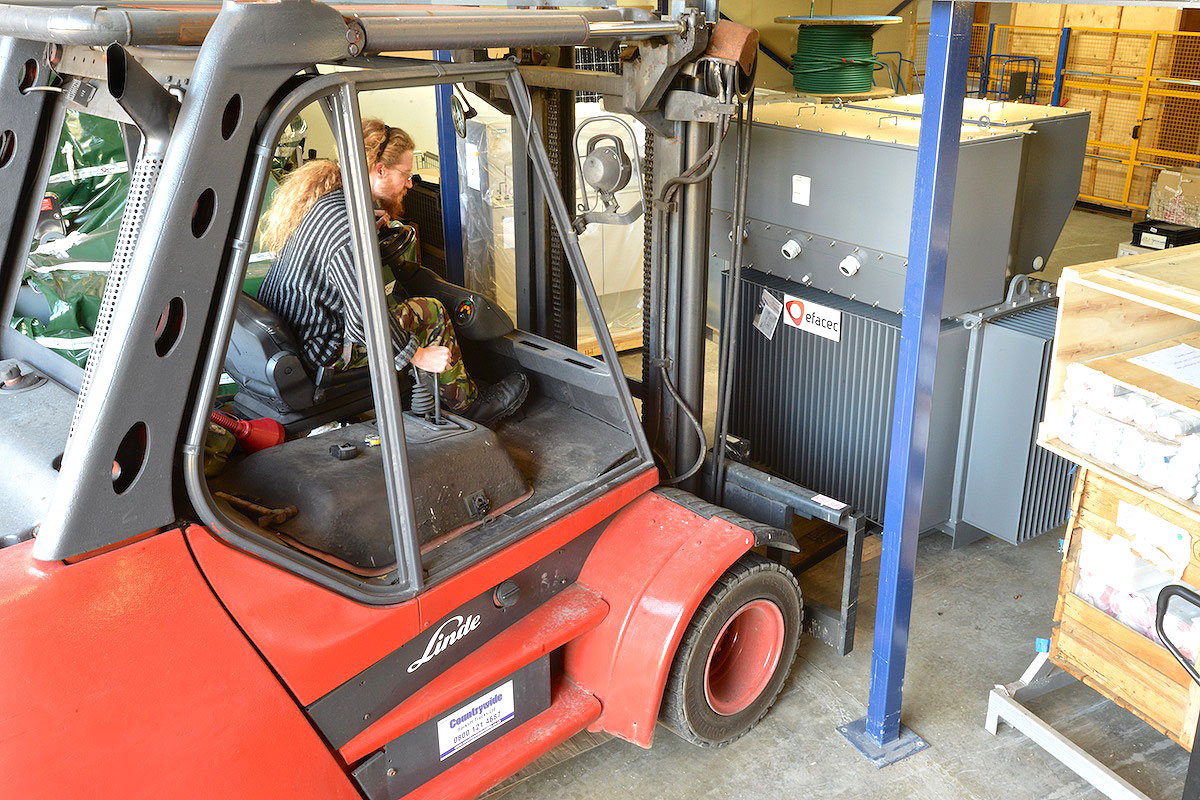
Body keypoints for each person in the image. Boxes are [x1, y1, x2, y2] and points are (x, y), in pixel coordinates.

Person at [258, 119, 527, 425]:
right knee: (432, 312)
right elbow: (364, 321)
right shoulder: (349, 230)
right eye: (406, 174)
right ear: (380, 170)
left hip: (299, 335)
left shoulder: (325, 203)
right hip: (323, 351)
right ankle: (468, 407)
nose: (410, 183)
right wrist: (419, 355)